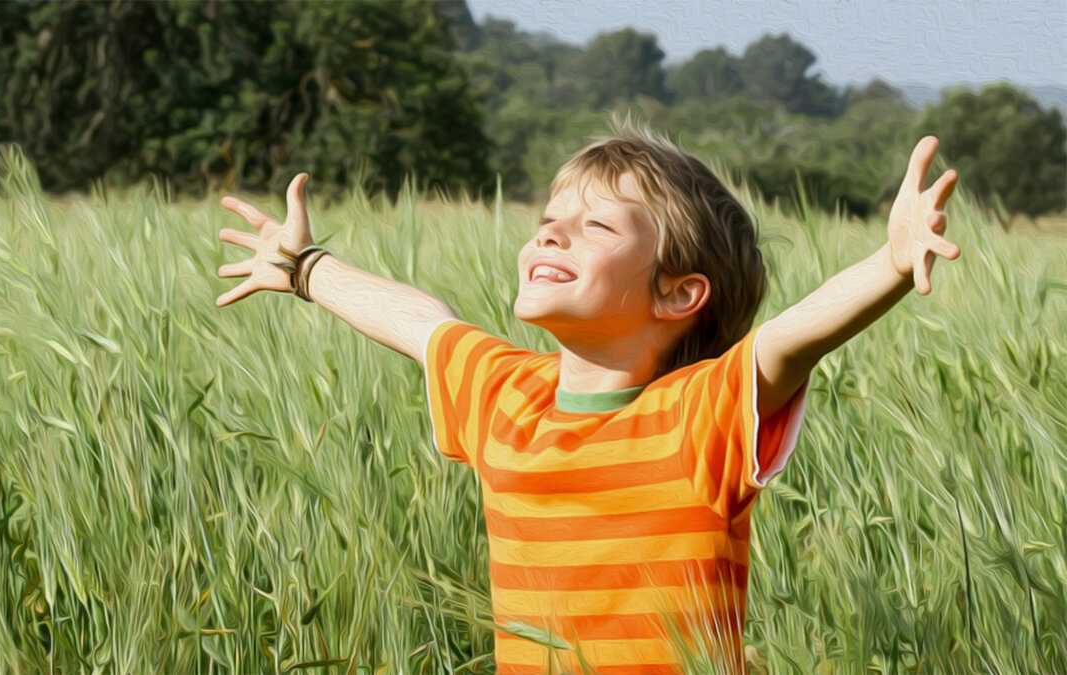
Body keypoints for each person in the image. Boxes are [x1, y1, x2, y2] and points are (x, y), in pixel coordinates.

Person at [215, 123, 959, 674]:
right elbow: (420, 321)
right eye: (547, 225)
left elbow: (789, 341)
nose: (551, 238)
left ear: (679, 293)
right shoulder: (506, 395)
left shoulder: (698, 416)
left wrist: (890, 263)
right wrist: (305, 267)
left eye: (593, 227)